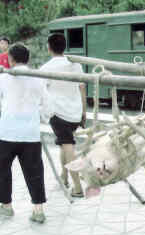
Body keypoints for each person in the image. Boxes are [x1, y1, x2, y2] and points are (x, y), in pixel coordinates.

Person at [0, 43, 50, 224]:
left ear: (10, 59)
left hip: (7, 132)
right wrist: (41, 117)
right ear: (28, 59)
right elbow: (48, 104)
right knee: (35, 171)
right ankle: (38, 210)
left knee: (1, 168)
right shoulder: (37, 78)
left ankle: (6, 206)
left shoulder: (4, 78)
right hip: (30, 133)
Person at [40, 33, 87, 198]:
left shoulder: (45, 68)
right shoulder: (75, 65)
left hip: (58, 113)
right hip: (74, 112)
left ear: (49, 47)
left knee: (68, 147)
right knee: (64, 144)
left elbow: (41, 92)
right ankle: (64, 177)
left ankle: (78, 187)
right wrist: (83, 111)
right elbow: (82, 88)